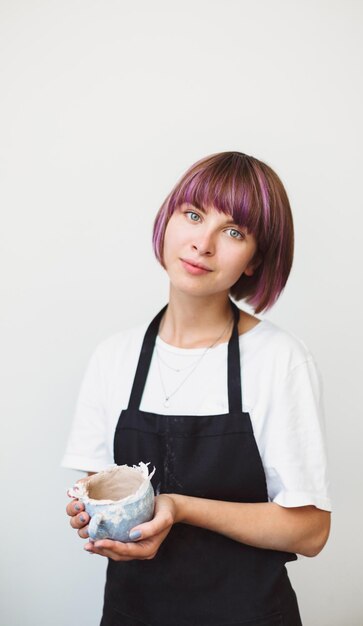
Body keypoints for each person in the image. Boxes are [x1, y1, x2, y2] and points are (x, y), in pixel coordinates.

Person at [63, 151, 332, 626]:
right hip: (132, 614)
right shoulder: (114, 357)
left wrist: (179, 508)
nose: (202, 243)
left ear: (254, 261)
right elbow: (97, 489)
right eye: (192, 215)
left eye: (234, 232)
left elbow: (310, 532)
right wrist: (89, 515)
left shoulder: (278, 359)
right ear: (168, 221)